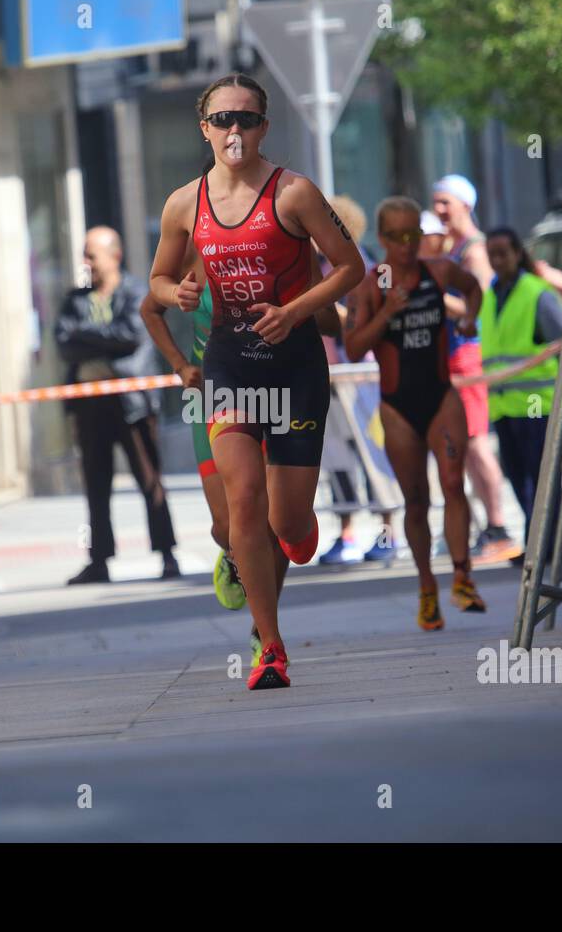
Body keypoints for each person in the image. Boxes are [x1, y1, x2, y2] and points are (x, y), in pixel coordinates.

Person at [149, 73, 364, 690]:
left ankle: (300, 532)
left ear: (264, 127)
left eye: (246, 119)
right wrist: (179, 289)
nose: (234, 130)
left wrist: (295, 311)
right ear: (205, 129)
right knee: (243, 501)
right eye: (223, 120)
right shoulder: (184, 203)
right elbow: (157, 286)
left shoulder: (294, 193)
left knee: (287, 524)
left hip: (294, 367)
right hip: (229, 368)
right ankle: (270, 646)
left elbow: (349, 268)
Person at [344, 196, 487, 630]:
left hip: (441, 395)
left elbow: (475, 286)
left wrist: (469, 321)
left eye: (415, 235)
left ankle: (462, 574)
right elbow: (353, 348)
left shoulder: (438, 271)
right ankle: (427, 586)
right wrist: (387, 313)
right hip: (398, 405)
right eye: (399, 237)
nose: (408, 245)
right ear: (384, 239)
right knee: (416, 501)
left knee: (452, 483)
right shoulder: (372, 284)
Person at [57, 226, 180, 585]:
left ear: (115, 255)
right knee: (96, 483)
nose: (86, 262)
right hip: (89, 404)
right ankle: (99, 561)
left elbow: (130, 336)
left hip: (131, 402)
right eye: (84, 254)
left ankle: (167, 553)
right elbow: (64, 344)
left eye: (91, 255)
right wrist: (103, 339)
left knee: (149, 479)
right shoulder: (75, 300)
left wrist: (88, 338)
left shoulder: (135, 292)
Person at [140, 245, 246, 610]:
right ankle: (231, 555)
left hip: (265, 392)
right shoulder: (190, 254)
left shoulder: (261, 246)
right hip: (209, 397)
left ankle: (264, 631)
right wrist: (182, 366)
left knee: (264, 520)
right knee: (225, 526)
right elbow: (150, 309)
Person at [430, 175, 520, 564]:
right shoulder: (453, 248)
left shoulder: (475, 250)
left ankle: (499, 527)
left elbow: (476, 306)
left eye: (445, 202)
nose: (438, 210)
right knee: (461, 446)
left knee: (476, 442)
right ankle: (485, 527)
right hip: (449, 355)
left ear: (466, 204)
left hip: (467, 356)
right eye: (435, 203)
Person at [316, 194, 397, 565]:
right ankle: (346, 532)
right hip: (325, 376)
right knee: (336, 458)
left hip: (359, 375)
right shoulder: (315, 266)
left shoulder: (362, 267)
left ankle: (387, 531)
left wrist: (334, 310)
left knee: (371, 454)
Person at [480, 228, 562, 538]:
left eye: (503, 251)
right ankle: (537, 540)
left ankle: (544, 541)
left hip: (536, 403)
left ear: (518, 253)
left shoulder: (536, 292)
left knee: (539, 476)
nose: (497, 259)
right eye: (492, 253)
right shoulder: (491, 295)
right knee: (518, 476)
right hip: (504, 405)